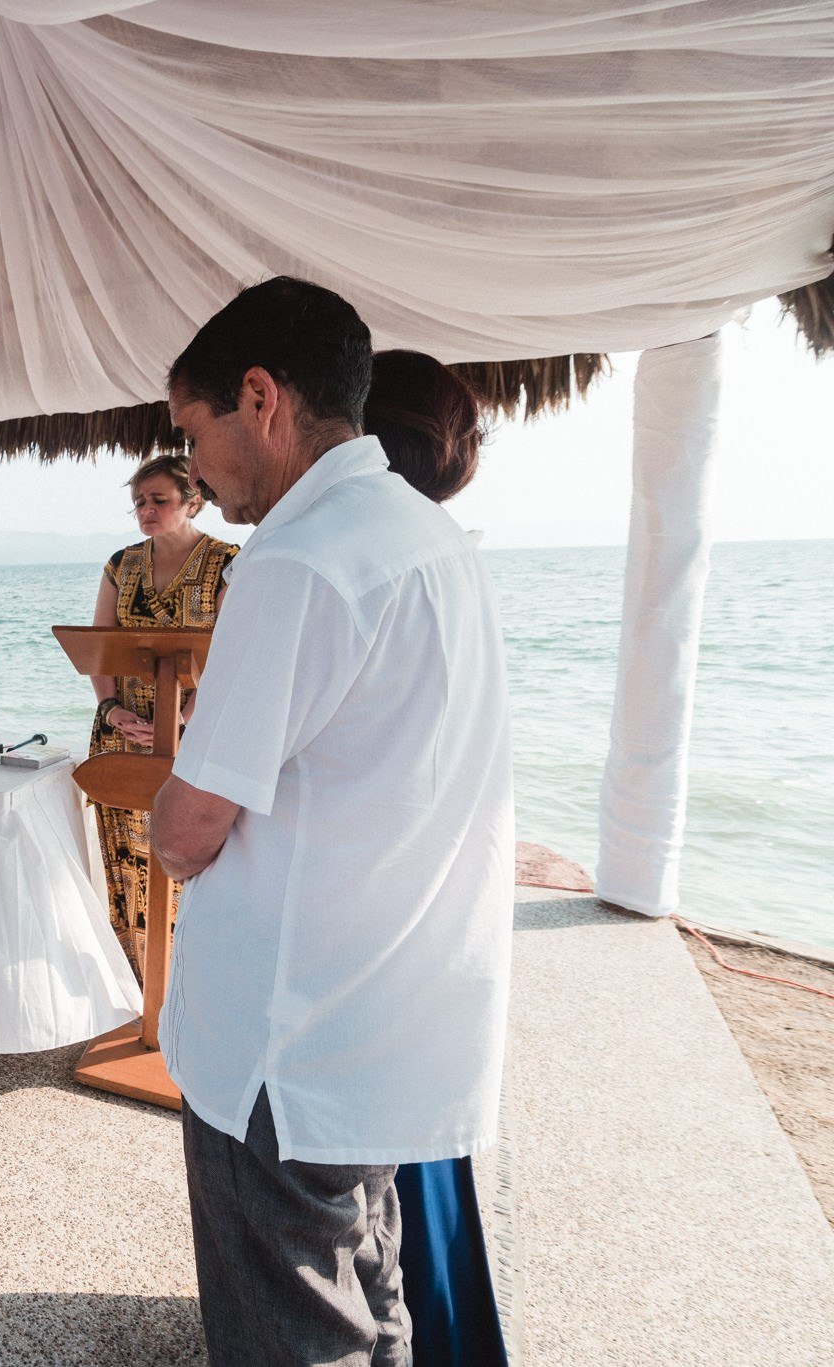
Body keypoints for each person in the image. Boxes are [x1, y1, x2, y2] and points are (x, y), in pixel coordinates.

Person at [146, 278, 513, 1366]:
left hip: (288, 1042)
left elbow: (189, 823)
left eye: (190, 432)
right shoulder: (428, 538)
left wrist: (166, 804)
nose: (192, 473)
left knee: (292, 1334)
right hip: (395, 1014)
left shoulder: (296, 561)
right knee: (371, 1292)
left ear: (258, 398)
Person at [363, 348, 508, 1367]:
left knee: (387, 1163)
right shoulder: (445, 551)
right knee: (422, 1159)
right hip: (437, 902)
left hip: (384, 913)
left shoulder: (364, 555)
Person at [86, 453, 237, 969]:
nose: (146, 510)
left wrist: (183, 718)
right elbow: (98, 648)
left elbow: (234, 653)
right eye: (138, 503)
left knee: (188, 853)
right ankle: (137, 981)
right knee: (128, 861)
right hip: (123, 734)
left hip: (198, 735)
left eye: (158, 500)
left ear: (193, 501)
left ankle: (194, 971)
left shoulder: (227, 563)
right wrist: (109, 710)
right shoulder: (120, 565)